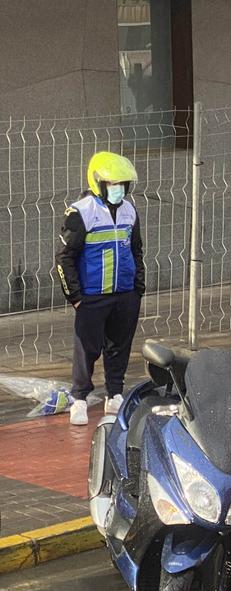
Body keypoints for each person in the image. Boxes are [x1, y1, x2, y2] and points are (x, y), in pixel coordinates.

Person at [55, 151, 145, 426]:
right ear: (99, 183)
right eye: (113, 183)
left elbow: (136, 249)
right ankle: (79, 398)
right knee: (87, 348)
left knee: (119, 347)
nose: (119, 189)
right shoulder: (81, 212)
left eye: (123, 184)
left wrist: (138, 287)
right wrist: (76, 298)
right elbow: (64, 257)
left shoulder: (130, 210)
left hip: (125, 294)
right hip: (92, 296)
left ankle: (115, 394)